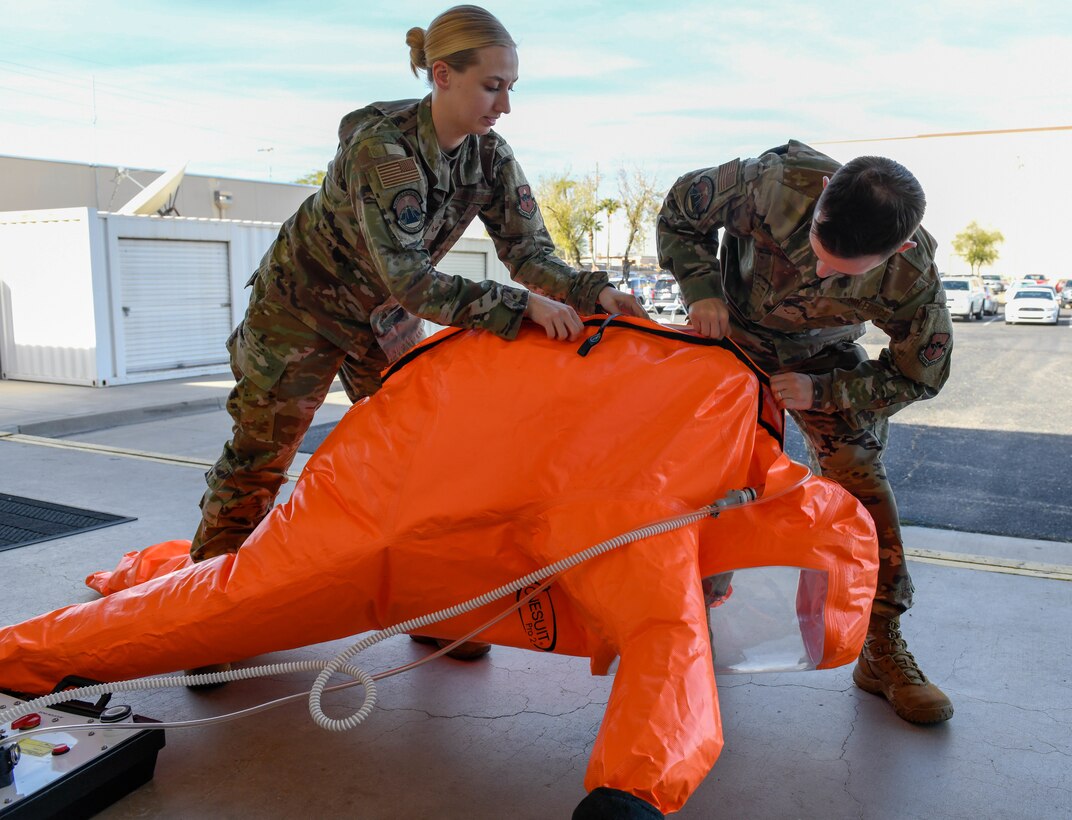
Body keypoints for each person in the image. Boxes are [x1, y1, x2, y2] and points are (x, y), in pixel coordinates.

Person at [190, 5, 645, 661]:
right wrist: (518, 310)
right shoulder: (385, 149)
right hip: (302, 306)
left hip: (382, 314)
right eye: (494, 85)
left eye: (512, 86)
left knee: (423, 462)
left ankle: (430, 604)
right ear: (443, 75)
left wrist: (594, 293)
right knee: (260, 460)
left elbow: (530, 253)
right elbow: (412, 279)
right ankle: (207, 614)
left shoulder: (489, 155)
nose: (507, 104)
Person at [657, 141, 955, 725]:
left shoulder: (911, 276)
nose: (819, 272)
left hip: (818, 365)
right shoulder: (772, 184)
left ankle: (882, 646)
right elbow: (679, 214)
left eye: (842, 272)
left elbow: (922, 373)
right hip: (727, 339)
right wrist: (701, 289)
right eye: (819, 250)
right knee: (693, 477)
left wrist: (826, 393)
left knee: (861, 489)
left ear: (896, 250)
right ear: (820, 196)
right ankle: (683, 620)